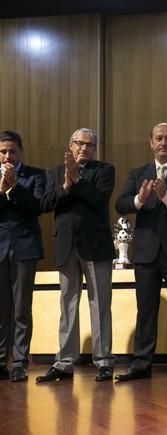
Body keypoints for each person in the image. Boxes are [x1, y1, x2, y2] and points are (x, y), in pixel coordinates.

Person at [114, 122, 167, 382]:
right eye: (158, 139)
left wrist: (166, 196)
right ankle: (141, 363)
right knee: (146, 309)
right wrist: (140, 200)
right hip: (146, 252)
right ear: (150, 142)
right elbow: (121, 204)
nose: (163, 143)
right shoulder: (138, 173)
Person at [37, 128, 116, 383]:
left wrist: (78, 181)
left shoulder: (104, 170)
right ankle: (64, 362)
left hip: (96, 245)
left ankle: (103, 361)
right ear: (70, 145)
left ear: (95, 149)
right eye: (79, 144)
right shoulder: (54, 173)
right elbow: (45, 203)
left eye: (90, 145)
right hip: (66, 245)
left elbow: (99, 200)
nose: (84, 148)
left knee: (100, 304)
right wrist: (67, 185)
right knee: (67, 303)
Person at [0, 131, 45, 382]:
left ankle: (19, 362)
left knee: (21, 308)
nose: (8, 156)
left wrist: (15, 185)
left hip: (25, 247)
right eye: (3, 151)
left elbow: (37, 206)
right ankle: (0, 361)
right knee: (1, 308)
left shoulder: (35, 175)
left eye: (12, 151)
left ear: (21, 152)